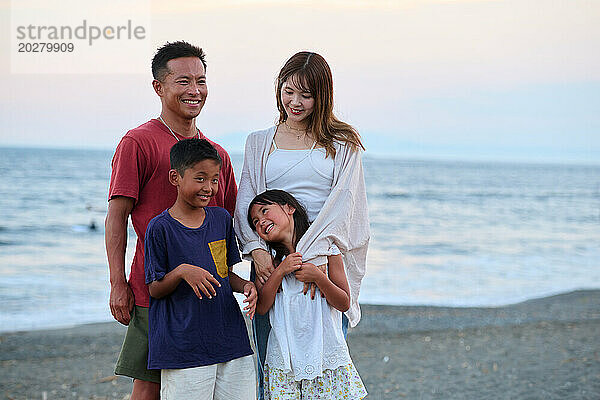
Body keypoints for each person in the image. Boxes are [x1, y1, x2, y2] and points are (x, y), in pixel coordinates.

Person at [234, 51, 370, 399]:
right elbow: (246, 202)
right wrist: (260, 253)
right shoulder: (259, 142)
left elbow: (344, 207)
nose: (295, 102)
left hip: (320, 260)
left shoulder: (343, 143)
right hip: (270, 261)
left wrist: (305, 258)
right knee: (274, 371)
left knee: (324, 373)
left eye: (306, 95)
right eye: (288, 91)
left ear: (321, 96)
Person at [105, 41, 237, 400]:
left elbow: (226, 227)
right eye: (183, 81)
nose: (194, 90)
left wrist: (239, 283)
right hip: (155, 290)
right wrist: (118, 282)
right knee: (148, 387)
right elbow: (116, 217)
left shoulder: (217, 156)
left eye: (201, 81)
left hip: (209, 293)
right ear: (159, 87)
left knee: (208, 386)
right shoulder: (138, 142)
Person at [144, 138, 256, 399]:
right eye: (200, 178)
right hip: (185, 348)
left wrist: (247, 286)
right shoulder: (160, 228)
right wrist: (183, 271)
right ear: (176, 177)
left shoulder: (221, 219)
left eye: (215, 180)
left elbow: (225, 273)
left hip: (231, 340)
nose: (209, 187)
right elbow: (155, 289)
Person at [247, 189, 367, 399]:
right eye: (255, 222)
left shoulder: (326, 251)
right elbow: (262, 308)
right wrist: (280, 271)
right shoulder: (269, 264)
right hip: (285, 359)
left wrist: (319, 278)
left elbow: (344, 302)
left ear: (289, 208)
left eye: (265, 211)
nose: (261, 222)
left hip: (323, 354)